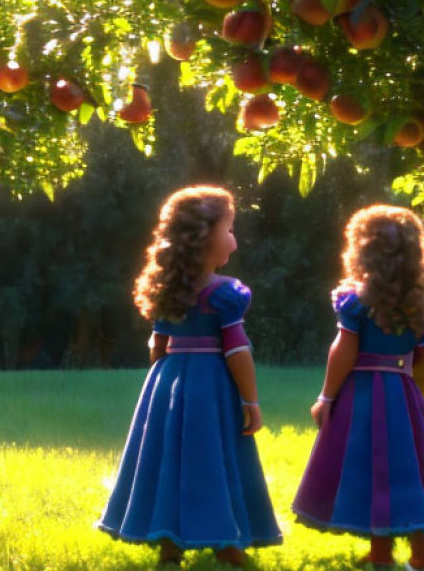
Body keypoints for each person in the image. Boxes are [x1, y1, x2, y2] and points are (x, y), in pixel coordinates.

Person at [96, 185, 282, 567]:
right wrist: (251, 401)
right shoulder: (225, 293)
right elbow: (236, 351)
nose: (235, 238)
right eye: (230, 229)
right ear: (204, 239)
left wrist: (162, 390)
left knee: (172, 460)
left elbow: (157, 346)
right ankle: (224, 540)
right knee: (213, 458)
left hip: (168, 382)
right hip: (210, 386)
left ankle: (170, 541)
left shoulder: (168, 292)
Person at [293, 204, 424, 571]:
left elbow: (344, 350)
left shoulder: (356, 302)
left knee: (372, 472)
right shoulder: (422, 308)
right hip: (403, 394)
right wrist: (414, 399)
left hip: (362, 398)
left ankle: (381, 555)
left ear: (362, 250)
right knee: (410, 475)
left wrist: (326, 396)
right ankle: (422, 555)